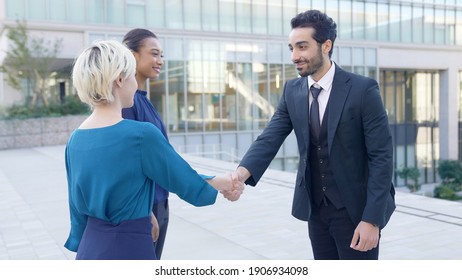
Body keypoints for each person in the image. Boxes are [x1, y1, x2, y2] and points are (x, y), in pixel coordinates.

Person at [232, 10, 395, 260]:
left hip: (356, 211)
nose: (294, 56)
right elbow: (270, 137)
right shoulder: (292, 90)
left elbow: (381, 157)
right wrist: (239, 176)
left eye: (302, 47)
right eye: (291, 48)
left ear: (326, 45)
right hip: (316, 211)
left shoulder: (363, 90)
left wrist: (372, 220)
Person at [64, 40, 242, 260]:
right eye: (131, 75)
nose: (134, 83)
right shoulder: (140, 135)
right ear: (120, 79)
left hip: (90, 249)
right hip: (129, 249)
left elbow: (77, 210)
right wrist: (226, 181)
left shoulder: (75, 140)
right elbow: (186, 182)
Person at [121, 28, 170, 259]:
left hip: (159, 202)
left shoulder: (143, 100)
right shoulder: (126, 104)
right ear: (132, 56)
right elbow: (125, 162)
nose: (160, 61)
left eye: (162, 55)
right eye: (154, 54)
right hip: (144, 209)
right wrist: (145, 212)